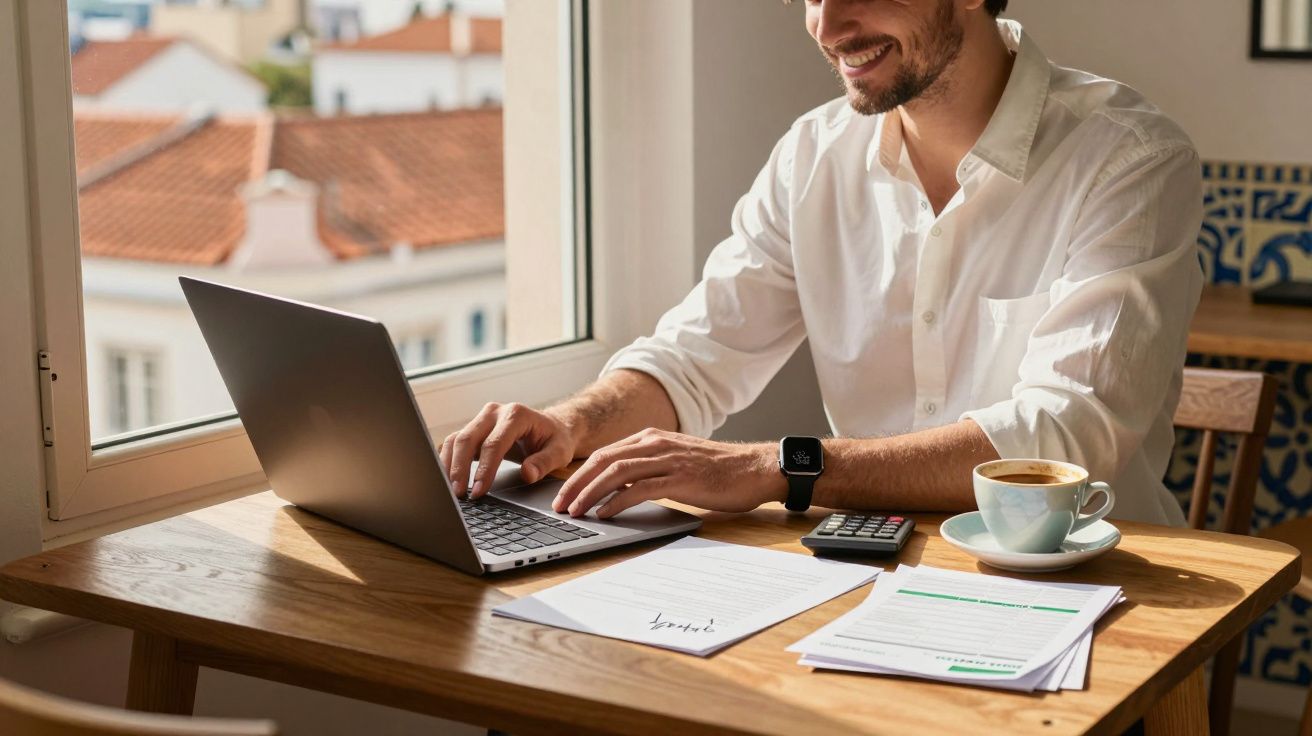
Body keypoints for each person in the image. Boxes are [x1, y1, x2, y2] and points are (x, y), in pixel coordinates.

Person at [440, 0, 1202, 526]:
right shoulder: (812, 155)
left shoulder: (1127, 157)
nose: (827, 25)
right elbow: (696, 357)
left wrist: (780, 466)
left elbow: (1064, 434)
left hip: (1092, 599)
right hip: (869, 577)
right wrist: (571, 426)